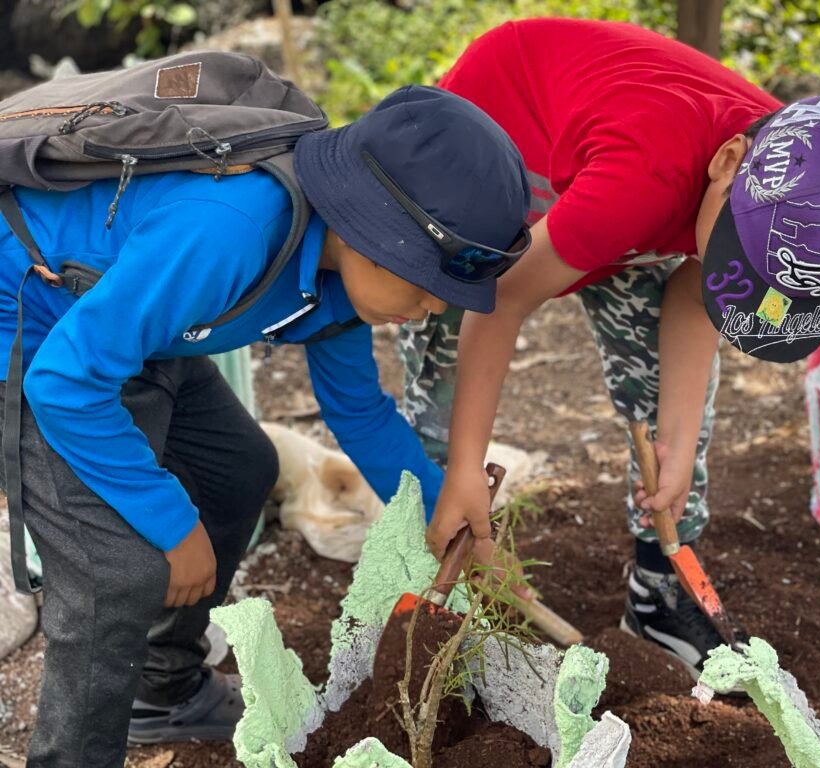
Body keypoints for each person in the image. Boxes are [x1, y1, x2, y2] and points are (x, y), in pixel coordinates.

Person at [0, 83, 529, 766]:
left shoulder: (341, 279)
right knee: (120, 572)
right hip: (30, 328)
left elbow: (359, 410)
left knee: (240, 470)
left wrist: (441, 503)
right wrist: (172, 524)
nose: (430, 308)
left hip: (132, 323)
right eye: (427, 284)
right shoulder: (231, 230)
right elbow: (65, 384)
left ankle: (161, 691)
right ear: (367, 232)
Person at [401, 18, 820, 681]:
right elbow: (500, 303)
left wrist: (672, 447)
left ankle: (659, 588)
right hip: (504, 139)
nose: (750, 279)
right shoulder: (646, 174)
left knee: (672, 401)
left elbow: (701, 289)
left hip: (633, 183)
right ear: (729, 162)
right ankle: (439, 561)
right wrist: (471, 464)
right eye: (745, 258)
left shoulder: (799, 177)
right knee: (449, 338)